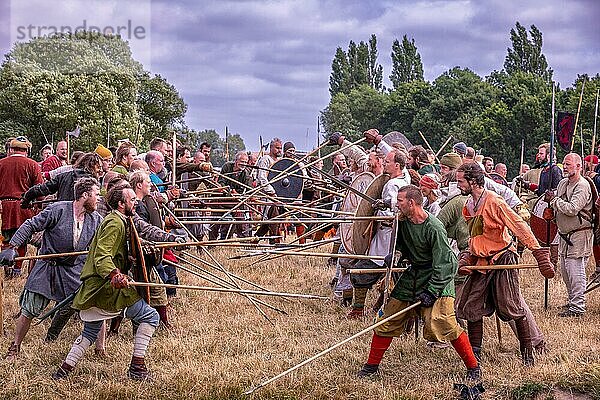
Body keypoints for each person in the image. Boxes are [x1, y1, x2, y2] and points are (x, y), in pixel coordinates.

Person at [357, 185, 481, 384]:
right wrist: (395, 256)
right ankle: (371, 367)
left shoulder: (434, 227)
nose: (397, 205)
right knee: (387, 318)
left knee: (443, 321)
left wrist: (432, 292)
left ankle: (473, 367)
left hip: (437, 277)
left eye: (400, 201)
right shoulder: (403, 222)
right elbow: (400, 246)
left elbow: (446, 263)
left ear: (412, 203)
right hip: (413, 275)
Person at [52, 185, 160, 380]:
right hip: (107, 286)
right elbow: (102, 255)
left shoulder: (119, 220)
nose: (135, 203)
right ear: (121, 204)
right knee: (151, 316)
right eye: (132, 200)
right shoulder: (114, 223)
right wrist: (115, 275)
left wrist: (128, 257)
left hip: (98, 285)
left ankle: (62, 372)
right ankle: (137, 368)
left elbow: (112, 251)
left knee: (90, 332)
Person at [454, 163, 554, 366]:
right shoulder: (468, 207)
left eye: (460, 181)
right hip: (483, 262)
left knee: (511, 306)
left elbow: (518, 225)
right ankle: (475, 358)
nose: (458, 185)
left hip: (502, 258)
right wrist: (470, 256)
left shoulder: (494, 201)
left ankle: (528, 354)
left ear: (473, 181)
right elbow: (477, 236)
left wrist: (538, 253)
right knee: (471, 307)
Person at [0, 178, 105, 359]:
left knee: (95, 305)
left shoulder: (96, 220)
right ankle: (15, 347)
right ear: (85, 195)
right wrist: (13, 246)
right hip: (48, 267)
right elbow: (31, 225)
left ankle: (100, 349)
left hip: (74, 269)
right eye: (97, 195)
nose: (99, 199)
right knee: (29, 308)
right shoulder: (58, 210)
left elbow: (106, 242)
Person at [348, 149, 410, 318]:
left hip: (387, 237)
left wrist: (381, 208)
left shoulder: (392, 184)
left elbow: (396, 212)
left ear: (397, 165)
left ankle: (357, 310)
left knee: (362, 273)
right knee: (393, 275)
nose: (384, 164)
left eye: (388, 162)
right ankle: (379, 308)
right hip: (396, 239)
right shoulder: (405, 178)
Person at [546, 153, 593, 317]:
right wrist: (550, 210)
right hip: (564, 234)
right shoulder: (562, 183)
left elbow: (572, 209)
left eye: (568, 164)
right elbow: (558, 205)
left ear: (579, 166)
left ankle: (578, 307)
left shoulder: (582, 185)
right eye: (564, 164)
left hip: (580, 234)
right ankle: (573, 301)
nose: (564, 167)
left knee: (575, 271)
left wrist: (553, 202)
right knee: (566, 272)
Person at [0, 136, 43, 277]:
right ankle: (17, 269)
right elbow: (39, 189)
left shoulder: (1, 163)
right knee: (22, 238)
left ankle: (7, 268)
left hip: (4, 207)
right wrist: (39, 205)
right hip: (24, 207)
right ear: (27, 150)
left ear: (11, 149)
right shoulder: (32, 164)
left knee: (6, 238)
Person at [23, 152, 103, 203]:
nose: (100, 170)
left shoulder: (63, 176)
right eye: (99, 167)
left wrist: (27, 198)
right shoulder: (93, 184)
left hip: (62, 217)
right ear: (91, 166)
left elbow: (41, 189)